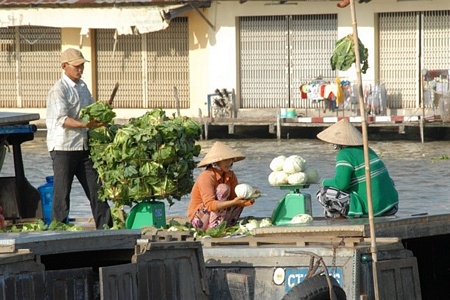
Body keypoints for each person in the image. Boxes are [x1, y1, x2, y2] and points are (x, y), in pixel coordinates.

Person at [46, 48, 113, 229]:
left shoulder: (82, 87)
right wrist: (86, 125)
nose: (80, 69)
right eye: (76, 66)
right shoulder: (58, 90)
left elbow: (91, 107)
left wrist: (102, 107)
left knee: (97, 189)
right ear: (64, 66)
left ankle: (106, 228)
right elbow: (63, 119)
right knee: (62, 192)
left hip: (82, 147)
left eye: (82, 66)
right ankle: (58, 229)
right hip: (63, 148)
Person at [316, 119, 399, 219]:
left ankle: (340, 220)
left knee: (323, 193)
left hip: (373, 210)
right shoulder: (368, 150)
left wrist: (324, 182)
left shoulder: (344, 154)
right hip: (391, 206)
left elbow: (341, 184)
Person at [187, 141, 254, 230]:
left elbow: (236, 198)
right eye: (226, 160)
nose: (229, 162)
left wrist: (251, 196)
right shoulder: (207, 176)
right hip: (200, 221)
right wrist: (234, 202)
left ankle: (224, 225)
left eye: (231, 159)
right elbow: (210, 205)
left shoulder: (231, 175)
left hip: (220, 217)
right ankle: (214, 228)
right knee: (223, 189)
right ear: (216, 162)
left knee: (242, 195)